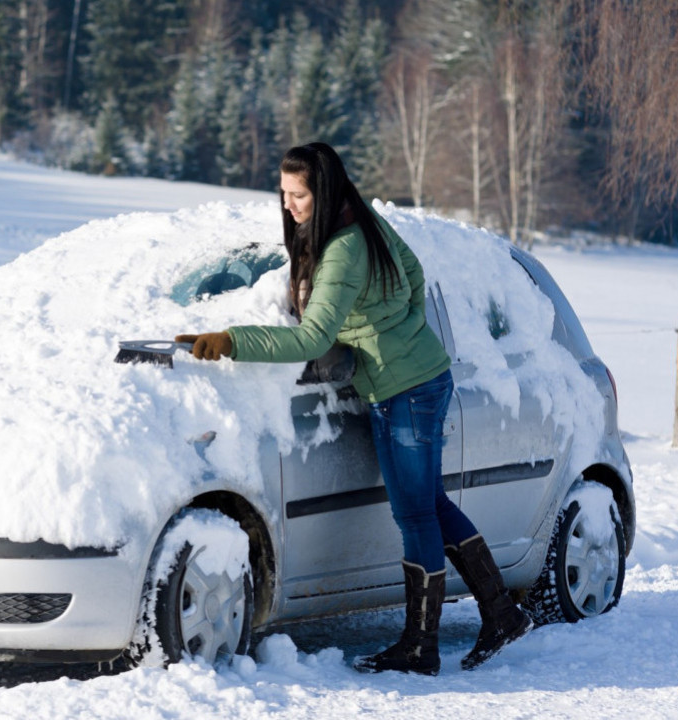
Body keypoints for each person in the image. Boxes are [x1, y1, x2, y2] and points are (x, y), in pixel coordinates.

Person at [176, 142, 531, 676]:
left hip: (408, 389)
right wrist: (393, 328)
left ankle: (421, 645)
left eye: (299, 194)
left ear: (323, 191)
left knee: (415, 513)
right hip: (414, 380)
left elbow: (311, 337)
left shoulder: (343, 248)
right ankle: (501, 613)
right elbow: (413, 277)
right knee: (430, 503)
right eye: (284, 192)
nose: (289, 203)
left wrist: (230, 341)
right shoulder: (361, 219)